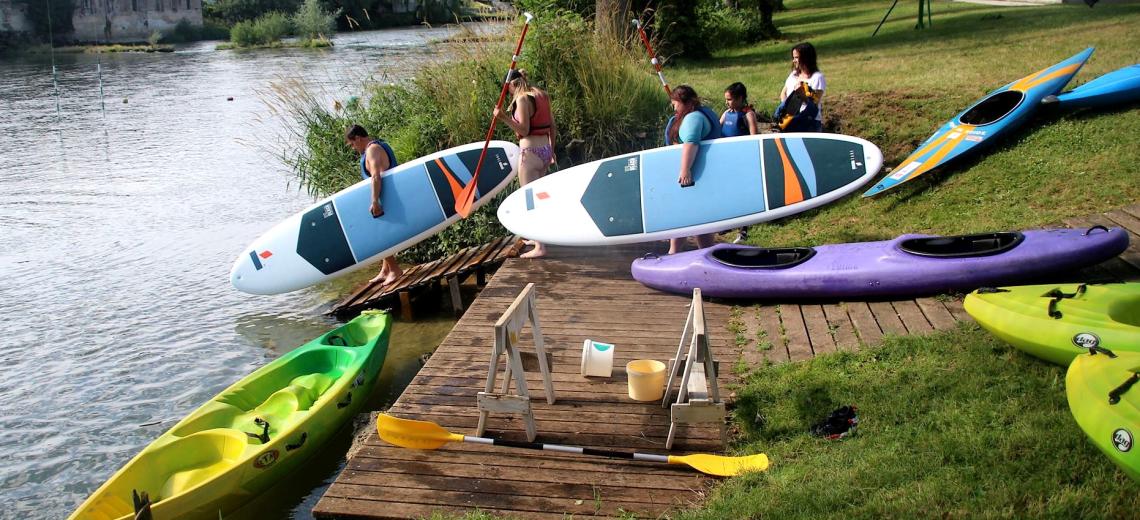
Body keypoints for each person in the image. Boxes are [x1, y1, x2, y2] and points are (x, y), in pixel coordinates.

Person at [493, 69, 558, 259]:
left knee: (530, 201)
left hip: (529, 154)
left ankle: (540, 246)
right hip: (544, 150)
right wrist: (551, 151)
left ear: (511, 85)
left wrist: (503, 118)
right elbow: (552, 127)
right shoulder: (541, 94)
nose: (509, 95)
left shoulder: (521, 99)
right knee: (541, 197)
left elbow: (524, 129)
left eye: (508, 91)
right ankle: (540, 237)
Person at [665, 85, 719, 255]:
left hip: (694, 177)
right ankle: (678, 254)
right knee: (688, 218)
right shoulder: (692, 115)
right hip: (694, 177)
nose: (674, 109)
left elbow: (691, 143)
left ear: (686, 103)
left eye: (675, 105)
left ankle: (677, 255)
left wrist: (685, 170)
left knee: (691, 218)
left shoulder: (693, 118)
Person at [345, 124, 402, 285]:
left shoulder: (372, 150)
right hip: (385, 196)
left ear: (358, 138)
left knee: (378, 235)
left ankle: (395, 270)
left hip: (385, 198)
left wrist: (375, 201)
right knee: (379, 232)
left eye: (352, 144)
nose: (353, 148)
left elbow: (376, 176)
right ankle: (386, 270)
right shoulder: (376, 146)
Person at [720, 82, 758, 243]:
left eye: (729, 99)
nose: (727, 103)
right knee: (727, 192)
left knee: (742, 194)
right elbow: (717, 130)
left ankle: (743, 230)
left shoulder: (748, 114)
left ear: (740, 98)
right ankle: (728, 223)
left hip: (742, 161)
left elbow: (754, 137)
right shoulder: (726, 114)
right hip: (727, 160)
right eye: (726, 99)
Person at [777, 42, 826, 132]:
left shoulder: (817, 77)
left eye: (796, 57)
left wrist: (801, 95)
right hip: (790, 121)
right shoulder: (793, 75)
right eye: (793, 57)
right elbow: (783, 92)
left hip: (809, 124)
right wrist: (787, 108)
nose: (793, 60)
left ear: (806, 58)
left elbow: (814, 105)